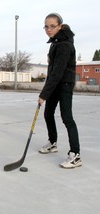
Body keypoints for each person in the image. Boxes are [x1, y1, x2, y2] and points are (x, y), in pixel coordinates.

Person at [38, 13, 82, 169]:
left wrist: (44, 94)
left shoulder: (64, 45)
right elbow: (52, 71)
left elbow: (57, 72)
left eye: (52, 26)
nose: (48, 29)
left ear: (60, 26)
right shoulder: (55, 42)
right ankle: (53, 143)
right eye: (46, 26)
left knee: (67, 117)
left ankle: (75, 155)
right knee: (48, 114)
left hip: (64, 85)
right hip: (55, 84)